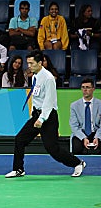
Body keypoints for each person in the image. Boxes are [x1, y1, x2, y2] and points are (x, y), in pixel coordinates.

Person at [5, 50, 86, 178]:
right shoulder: (35, 76)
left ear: (40, 62)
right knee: (20, 139)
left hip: (48, 117)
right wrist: (34, 113)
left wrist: (42, 119)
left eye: (31, 63)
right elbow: (37, 97)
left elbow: (49, 101)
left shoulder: (48, 78)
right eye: (28, 63)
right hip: (37, 115)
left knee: (52, 149)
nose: (29, 66)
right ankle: (18, 169)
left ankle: (78, 163)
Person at [69, 77, 101, 155]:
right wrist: (83, 138)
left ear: (93, 89)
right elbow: (74, 126)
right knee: (76, 146)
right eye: (83, 87)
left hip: (96, 132)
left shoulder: (100, 104)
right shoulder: (74, 105)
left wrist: (97, 137)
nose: (85, 90)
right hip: (81, 132)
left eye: (88, 87)